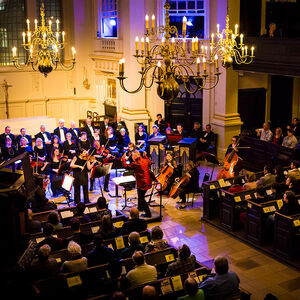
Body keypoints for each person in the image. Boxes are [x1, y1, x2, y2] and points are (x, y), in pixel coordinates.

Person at [122, 151, 153, 217]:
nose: (132, 157)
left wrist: (123, 159)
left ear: (136, 156)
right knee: (140, 195)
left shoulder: (136, 163)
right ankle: (140, 208)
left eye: (132, 155)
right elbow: (150, 162)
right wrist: (145, 156)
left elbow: (126, 166)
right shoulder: (145, 160)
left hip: (142, 182)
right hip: (148, 181)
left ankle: (148, 213)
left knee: (141, 198)